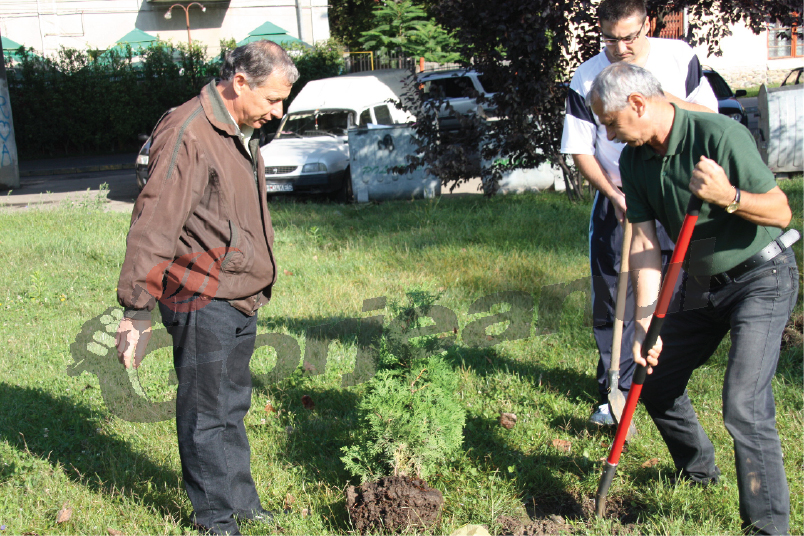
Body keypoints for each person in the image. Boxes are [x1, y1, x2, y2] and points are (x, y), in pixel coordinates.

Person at [587, 61, 798, 535]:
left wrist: (729, 196)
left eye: (609, 121)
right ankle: (698, 470)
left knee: (744, 403)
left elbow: (781, 212)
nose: (607, 132)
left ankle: (767, 527)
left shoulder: (718, 135)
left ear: (637, 105)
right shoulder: (636, 161)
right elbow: (642, 246)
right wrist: (644, 322)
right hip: (703, 287)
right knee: (653, 380)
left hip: (762, 276)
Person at [114, 40, 299, 535]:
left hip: (239, 293)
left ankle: (241, 503)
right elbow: (155, 222)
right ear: (239, 82)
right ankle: (215, 518)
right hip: (201, 294)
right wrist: (136, 309)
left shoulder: (239, 126)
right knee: (206, 412)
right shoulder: (190, 130)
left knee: (231, 405)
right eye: (273, 100)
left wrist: (262, 116)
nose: (278, 111)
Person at [560, 0, 718, 426]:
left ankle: (663, 379)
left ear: (647, 25)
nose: (620, 47)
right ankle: (615, 384)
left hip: (676, 194)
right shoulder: (586, 75)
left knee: (675, 287)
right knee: (614, 292)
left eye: (630, 36)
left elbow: (710, 118)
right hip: (619, 197)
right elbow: (579, 147)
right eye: (610, 38)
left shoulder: (679, 57)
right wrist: (613, 193)